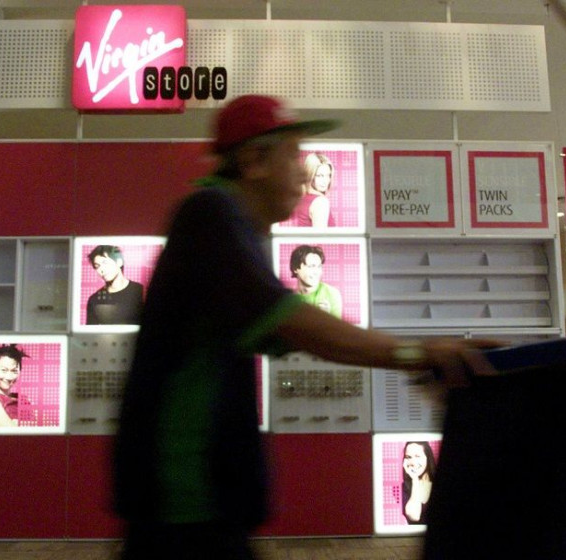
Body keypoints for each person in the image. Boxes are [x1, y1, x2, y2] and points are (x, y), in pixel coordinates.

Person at [113, 94, 499, 560]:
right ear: (254, 160)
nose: (304, 169)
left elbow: (292, 328)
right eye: (294, 153)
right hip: (183, 509)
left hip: (205, 510)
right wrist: (418, 353)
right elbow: (295, 322)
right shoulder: (210, 215)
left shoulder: (230, 227)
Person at [85, 245, 144, 325]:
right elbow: (91, 335)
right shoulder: (95, 300)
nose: (102, 269)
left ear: (119, 262)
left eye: (105, 263)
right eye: (97, 266)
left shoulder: (140, 291)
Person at [0, 344, 32, 427]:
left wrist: (17, 422)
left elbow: (45, 424)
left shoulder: (22, 398)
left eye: (14, 371)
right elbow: (12, 431)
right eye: (4, 370)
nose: (9, 377)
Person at [289, 244, 342, 318]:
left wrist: (327, 317)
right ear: (295, 268)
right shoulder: (288, 299)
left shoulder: (331, 293)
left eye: (319, 267)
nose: (316, 272)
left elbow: (337, 328)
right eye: (311, 266)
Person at [294, 152, 335, 227]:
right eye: (320, 175)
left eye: (328, 175)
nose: (325, 180)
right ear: (310, 175)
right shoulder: (320, 202)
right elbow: (320, 237)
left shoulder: (303, 199)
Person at [401, 441, 436, 525]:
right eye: (408, 457)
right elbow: (414, 516)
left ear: (427, 457)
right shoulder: (403, 488)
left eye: (417, 456)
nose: (413, 462)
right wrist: (415, 480)